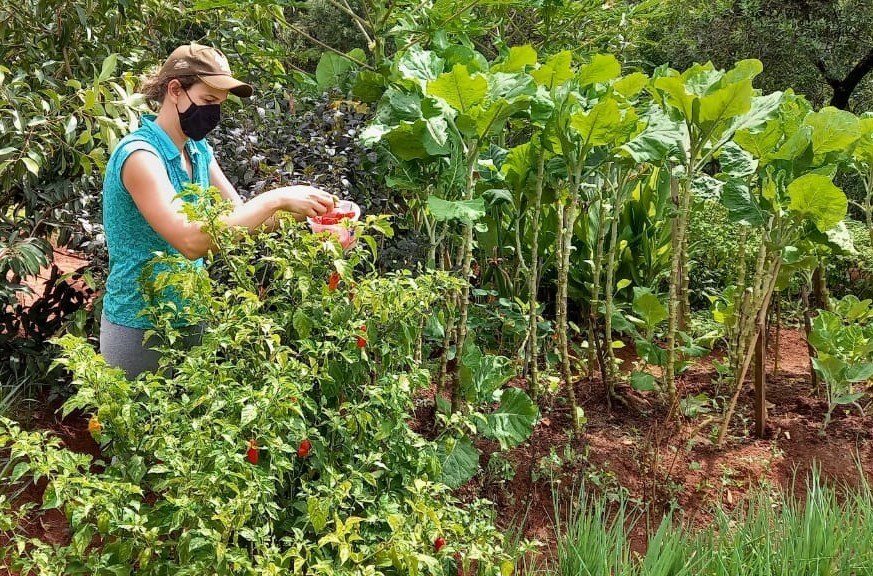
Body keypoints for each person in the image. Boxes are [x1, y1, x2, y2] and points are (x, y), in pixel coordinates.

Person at [100, 43, 336, 378]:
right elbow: (190, 240)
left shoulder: (197, 151)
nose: (214, 114)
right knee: (138, 427)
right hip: (139, 324)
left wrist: (312, 224)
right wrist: (275, 198)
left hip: (192, 314)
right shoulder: (140, 156)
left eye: (220, 105)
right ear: (175, 90)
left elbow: (239, 221)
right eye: (209, 101)